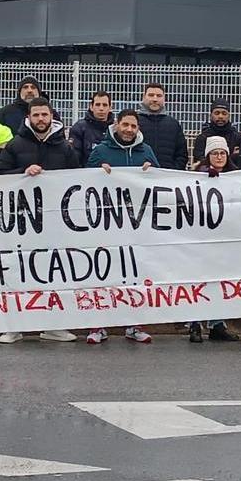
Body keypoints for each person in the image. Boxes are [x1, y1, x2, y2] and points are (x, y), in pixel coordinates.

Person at [0, 97, 79, 344]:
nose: (41, 119)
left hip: (54, 222)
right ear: (28, 117)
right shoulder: (15, 144)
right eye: (37, 115)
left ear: (51, 116)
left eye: (45, 115)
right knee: (17, 273)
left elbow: (77, 179)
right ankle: (14, 326)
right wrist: (22, 173)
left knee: (54, 274)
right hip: (21, 222)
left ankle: (54, 325)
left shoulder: (64, 147)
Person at [84, 109, 157, 345]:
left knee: (135, 275)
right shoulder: (101, 151)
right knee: (103, 273)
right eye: (125, 125)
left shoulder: (146, 151)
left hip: (136, 226)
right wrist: (96, 173)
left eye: (133, 126)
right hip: (105, 225)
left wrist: (151, 172)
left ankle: (134, 325)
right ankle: (98, 325)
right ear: (116, 125)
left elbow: (161, 183)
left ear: (138, 129)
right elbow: (81, 182)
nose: (128, 130)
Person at [188, 136, 240, 342]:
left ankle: (217, 324)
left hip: (225, 237)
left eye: (222, 153)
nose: (219, 157)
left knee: (220, 281)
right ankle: (194, 325)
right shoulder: (195, 176)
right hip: (201, 237)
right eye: (215, 153)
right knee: (198, 281)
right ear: (208, 156)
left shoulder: (236, 176)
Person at [136, 82, 188, 170]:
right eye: (151, 95)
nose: (155, 99)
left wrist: (173, 170)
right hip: (139, 177)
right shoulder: (134, 122)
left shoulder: (173, 124)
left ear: (164, 98)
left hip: (167, 179)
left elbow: (181, 155)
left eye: (159, 96)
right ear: (144, 97)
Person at [193, 98, 241, 165]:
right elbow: (200, 162)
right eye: (217, 113)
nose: (220, 116)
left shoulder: (238, 138)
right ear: (211, 115)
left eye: (224, 113)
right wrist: (232, 157)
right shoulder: (202, 138)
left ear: (229, 115)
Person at [69, 90, 113, 167]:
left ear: (110, 108)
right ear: (91, 107)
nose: (101, 108)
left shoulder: (115, 129)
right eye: (98, 105)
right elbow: (74, 159)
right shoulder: (79, 128)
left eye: (105, 105)